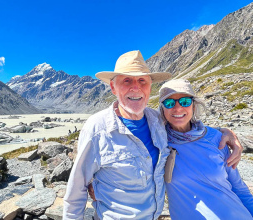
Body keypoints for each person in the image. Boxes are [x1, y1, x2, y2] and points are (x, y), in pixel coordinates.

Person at [63, 50, 243, 219]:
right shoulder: (97, 129)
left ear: (150, 87)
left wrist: (225, 134)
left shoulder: (158, 121)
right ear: (113, 87)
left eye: (142, 81)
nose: (136, 88)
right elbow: (75, 192)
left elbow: (188, 129)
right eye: (127, 81)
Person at [159, 79, 253, 220]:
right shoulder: (158, 142)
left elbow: (240, 189)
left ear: (194, 106)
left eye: (185, 102)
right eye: (169, 103)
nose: (177, 108)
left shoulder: (217, 138)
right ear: (162, 109)